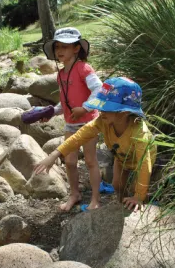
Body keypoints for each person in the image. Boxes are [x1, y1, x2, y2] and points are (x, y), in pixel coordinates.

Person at [33, 77, 156, 212]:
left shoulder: (139, 132)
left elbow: (145, 165)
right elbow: (79, 137)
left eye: (106, 108)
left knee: (136, 188)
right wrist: (55, 154)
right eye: (100, 107)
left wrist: (138, 196)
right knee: (117, 185)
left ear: (124, 113)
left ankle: (138, 200)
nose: (101, 111)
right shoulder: (102, 121)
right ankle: (122, 205)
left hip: (141, 160)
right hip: (121, 157)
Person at [39, 27, 104, 211]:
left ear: (76, 48)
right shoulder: (61, 74)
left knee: (91, 161)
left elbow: (99, 90)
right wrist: (51, 112)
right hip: (71, 123)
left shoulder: (84, 69)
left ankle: (95, 199)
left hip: (89, 122)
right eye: (57, 46)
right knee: (69, 161)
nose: (60, 51)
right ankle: (74, 194)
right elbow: (65, 101)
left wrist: (85, 107)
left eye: (65, 47)